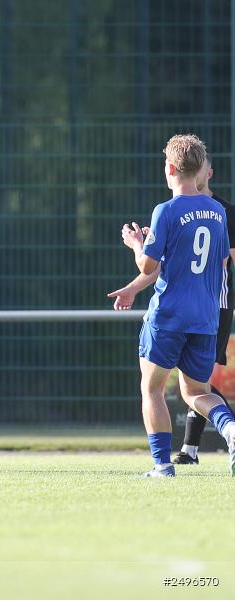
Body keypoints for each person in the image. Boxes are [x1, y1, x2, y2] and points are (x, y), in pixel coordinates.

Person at [118, 134, 235, 477]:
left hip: (169, 316)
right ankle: (231, 430)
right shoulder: (217, 212)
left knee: (151, 387)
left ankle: (161, 465)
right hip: (206, 318)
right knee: (196, 391)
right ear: (201, 170)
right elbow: (221, 264)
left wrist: (136, 244)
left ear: (170, 168)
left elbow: (148, 267)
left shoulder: (165, 211)